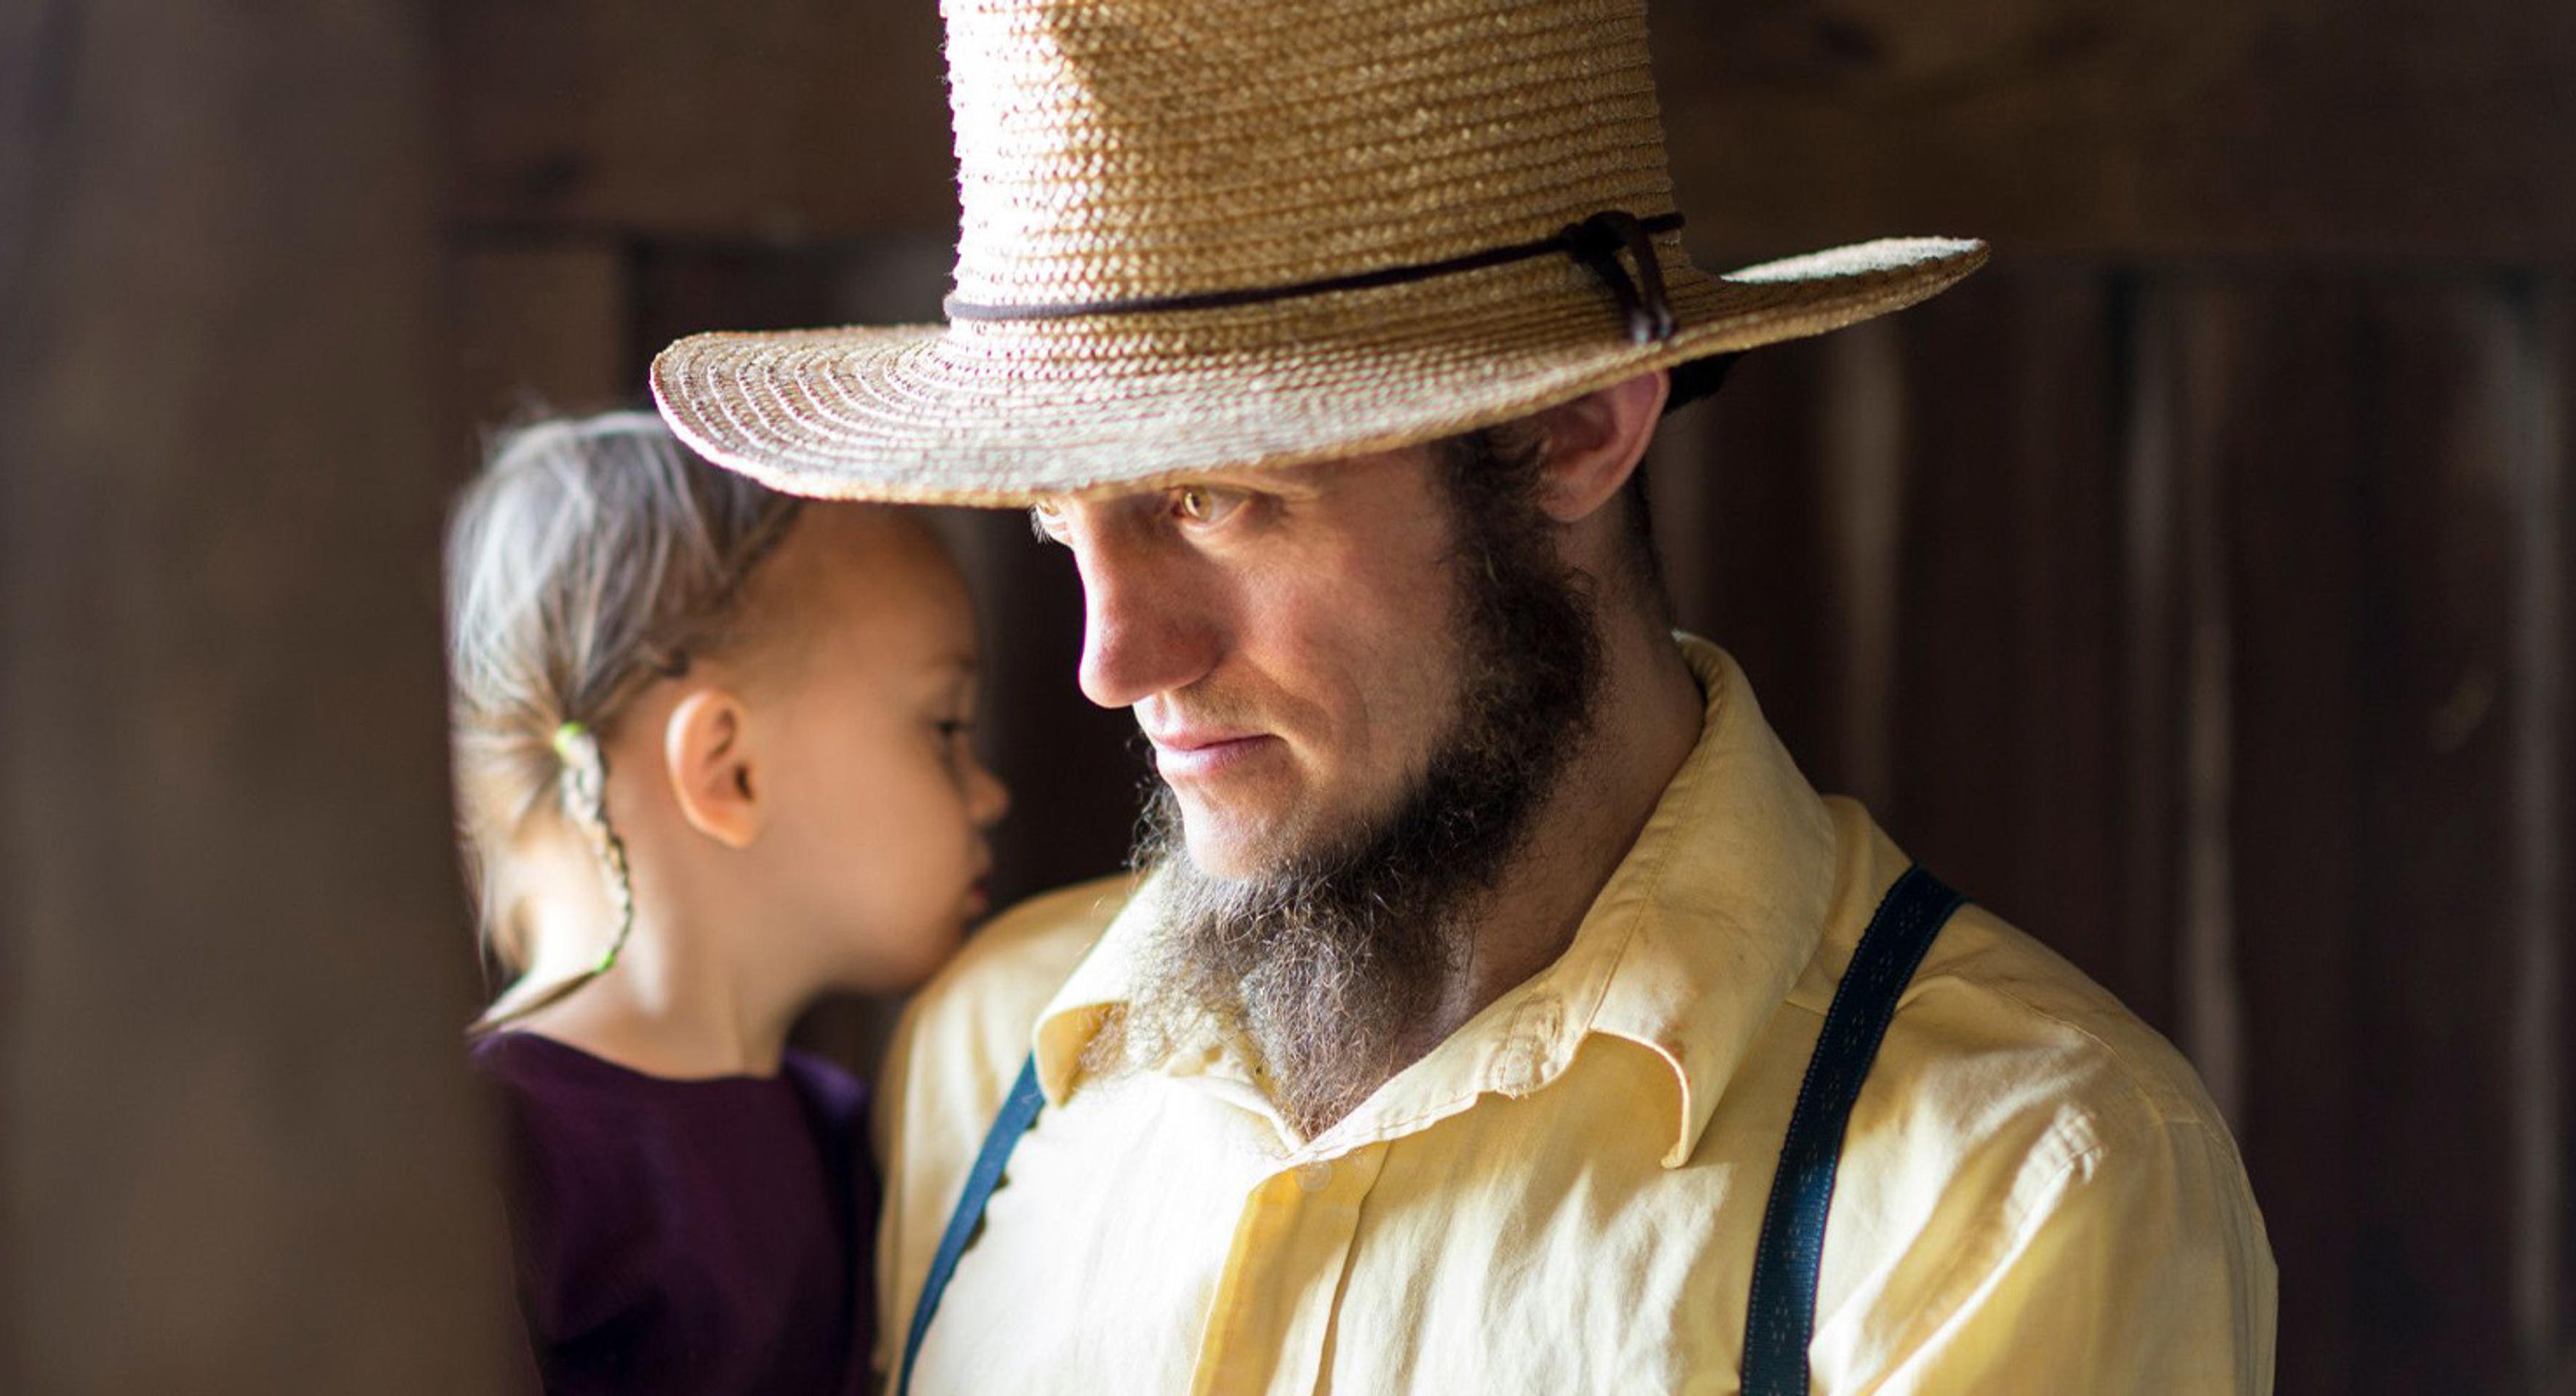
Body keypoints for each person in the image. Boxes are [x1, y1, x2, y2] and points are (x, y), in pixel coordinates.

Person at [645, 0, 2277, 1390]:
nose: (1112, 659)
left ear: (1573, 431)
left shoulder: (2004, 1187)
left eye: (1212, 500)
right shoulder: (991, 1060)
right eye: (1061, 522)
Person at [444, 412, 1010, 1395]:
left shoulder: (845, 1129)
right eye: (945, 726)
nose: (992, 793)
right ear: (728, 769)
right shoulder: (490, 1152)